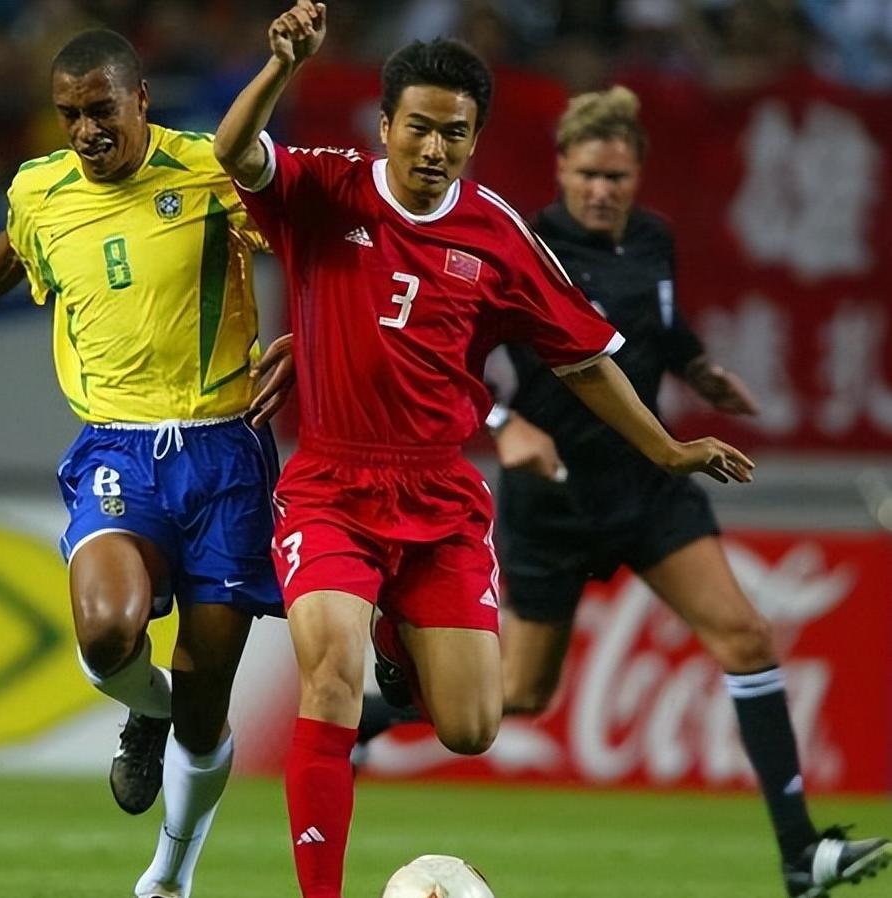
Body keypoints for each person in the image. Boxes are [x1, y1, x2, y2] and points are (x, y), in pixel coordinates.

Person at [212, 5, 754, 897]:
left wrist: (663, 449)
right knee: (331, 676)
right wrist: (281, 69)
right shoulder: (326, 189)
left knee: (470, 727)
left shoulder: (497, 234)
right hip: (331, 485)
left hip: (437, 497)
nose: (434, 149)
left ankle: (395, 630)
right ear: (384, 125)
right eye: (418, 127)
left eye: (454, 133)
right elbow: (234, 152)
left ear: (474, 138)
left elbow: (583, 359)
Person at [358, 85, 891, 898]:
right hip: (554, 499)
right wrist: (504, 421)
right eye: (586, 175)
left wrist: (697, 368)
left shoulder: (651, 240)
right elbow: (444, 354)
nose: (600, 190)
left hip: (647, 487)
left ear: (637, 176)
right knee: (518, 695)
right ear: (561, 170)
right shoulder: (520, 243)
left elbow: (658, 329)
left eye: (615, 177)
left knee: (746, 637)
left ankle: (800, 854)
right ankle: (368, 718)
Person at [0, 29, 293, 898]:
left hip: (226, 450)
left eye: (100, 110)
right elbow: (14, 244)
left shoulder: (210, 170)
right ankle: (146, 710)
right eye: (68, 114)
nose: (84, 131)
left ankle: (169, 877)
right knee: (108, 635)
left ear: (140, 98)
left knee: (205, 704)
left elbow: (318, 244)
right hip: (116, 445)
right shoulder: (39, 189)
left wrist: (310, 342)